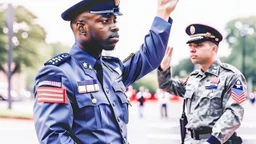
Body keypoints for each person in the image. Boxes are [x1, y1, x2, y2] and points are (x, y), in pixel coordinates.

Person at [32, 0, 180, 143]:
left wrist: (163, 13)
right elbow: (54, 137)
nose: (115, 26)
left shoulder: (112, 70)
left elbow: (148, 57)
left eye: (114, 20)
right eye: (105, 21)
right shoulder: (58, 74)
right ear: (81, 28)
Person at [157, 24, 246, 144]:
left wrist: (212, 141)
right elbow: (166, 86)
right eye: (190, 46)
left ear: (214, 49)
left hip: (216, 141)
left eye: (198, 45)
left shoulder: (232, 76)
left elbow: (234, 113)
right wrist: (163, 69)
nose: (192, 49)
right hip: (190, 140)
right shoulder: (194, 78)